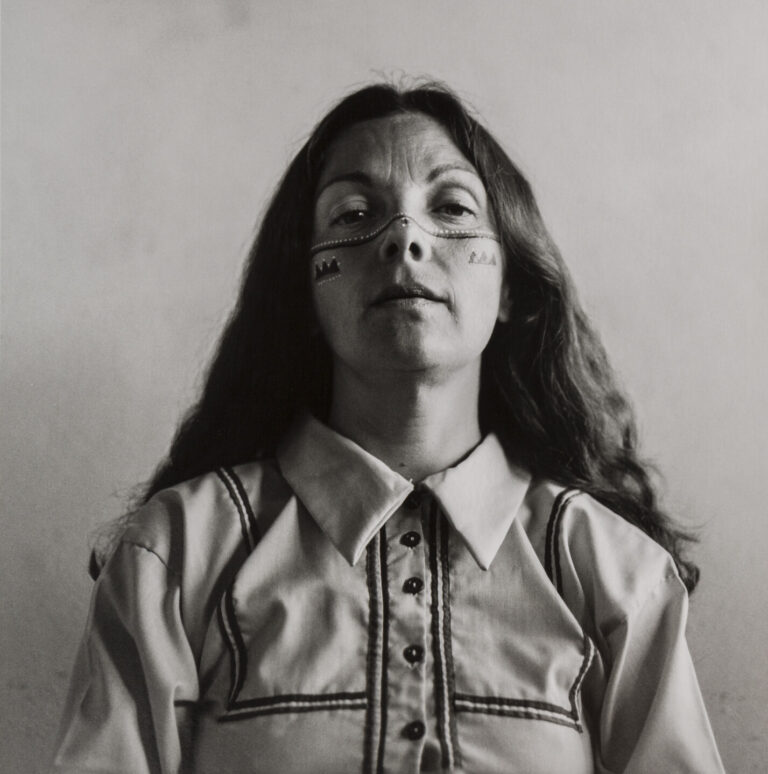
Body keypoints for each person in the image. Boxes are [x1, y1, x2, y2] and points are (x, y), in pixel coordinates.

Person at [51, 82, 725, 774]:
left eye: (451, 207)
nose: (404, 238)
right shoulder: (176, 557)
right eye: (354, 212)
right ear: (306, 292)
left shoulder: (617, 575)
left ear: (512, 289)